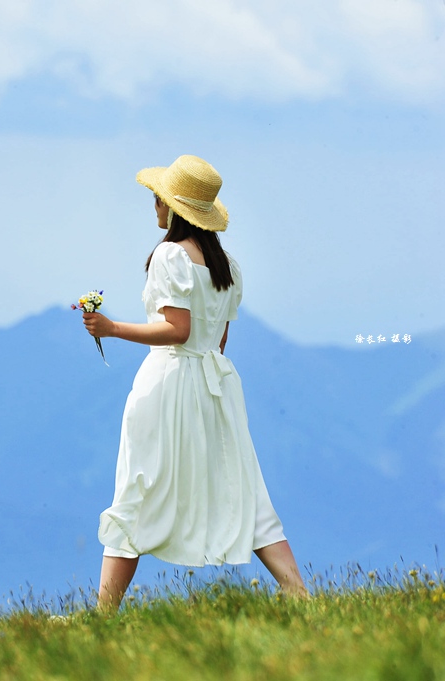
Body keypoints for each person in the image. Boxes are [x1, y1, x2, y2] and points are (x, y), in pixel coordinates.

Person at [81, 155, 307, 611]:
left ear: (175, 208)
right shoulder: (227, 267)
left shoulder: (168, 256)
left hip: (168, 383)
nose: (154, 205)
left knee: (138, 485)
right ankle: (298, 594)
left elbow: (177, 330)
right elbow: (218, 338)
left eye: (159, 198)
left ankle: (103, 613)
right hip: (216, 386)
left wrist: (110, 328)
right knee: (242, 486)